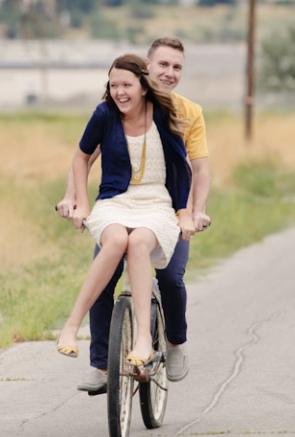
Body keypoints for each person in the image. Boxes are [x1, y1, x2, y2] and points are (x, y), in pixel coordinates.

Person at [57, 37, 211, 392]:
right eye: (163, 65)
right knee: (107, 271)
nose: (169, 73)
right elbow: (85, 156)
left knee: (170, 278)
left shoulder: (183, 113)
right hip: (117, 202)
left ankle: (173, 342)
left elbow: (194, 171)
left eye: (177, 67)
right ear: (146, 68)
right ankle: (100, 364)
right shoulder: (111, 108)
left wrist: (193, 212)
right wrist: (73, 200)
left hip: (166, 207)